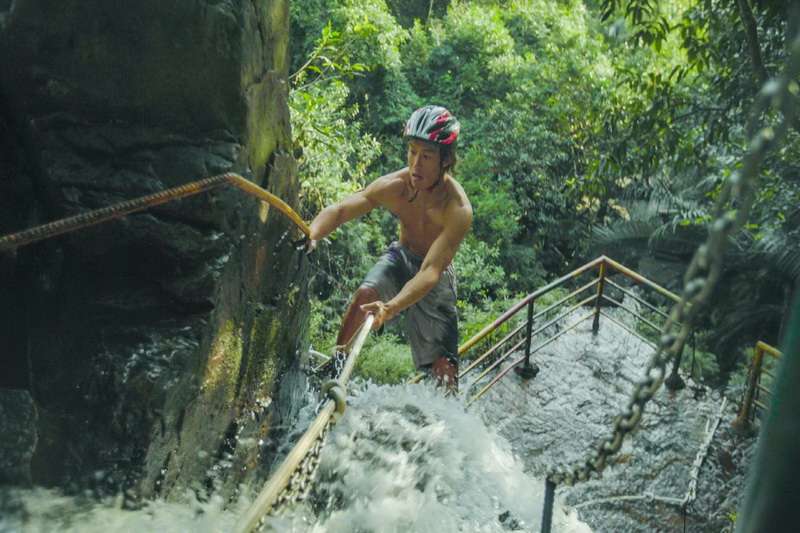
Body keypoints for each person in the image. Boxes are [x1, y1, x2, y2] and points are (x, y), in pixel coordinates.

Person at [307, 105, 472, 390]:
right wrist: (312, 232)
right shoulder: (395, 185)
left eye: (427, 156)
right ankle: (335, 369)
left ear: (445, 160)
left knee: (444, 369)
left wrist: (391, 308)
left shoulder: (457, 209)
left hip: (434, 275)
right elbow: (342, 209)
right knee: (365, 294)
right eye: (412, 151)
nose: (416, 164)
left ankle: (446, 422)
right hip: (401, 256)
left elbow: (430, 272)